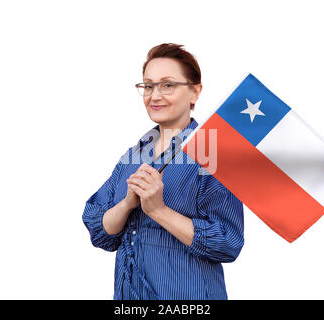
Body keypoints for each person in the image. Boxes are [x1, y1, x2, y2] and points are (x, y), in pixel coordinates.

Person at [82, 43, 244, 300]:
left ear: (195, 92)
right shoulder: (132, 157)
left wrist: (158, 210)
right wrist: (126, 205)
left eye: (167, 85)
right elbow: (100, 231)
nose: (154, 96)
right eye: (148, 86)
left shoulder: (213, 156)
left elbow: (228, 243)